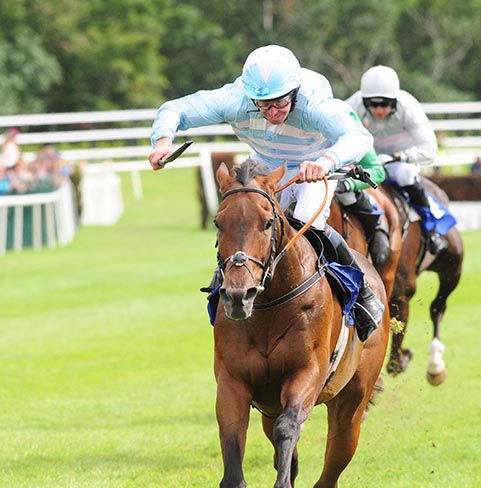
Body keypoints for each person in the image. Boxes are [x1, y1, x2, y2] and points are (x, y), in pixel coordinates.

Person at [149, 45, 384, 341]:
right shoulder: (234, 100)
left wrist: (326, 161)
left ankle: (362, 294)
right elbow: (176, 108)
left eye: (280, 103)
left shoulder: (313, 105)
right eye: (263, 104)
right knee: (244, 226)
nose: (273, 112)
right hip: (266, 168)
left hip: (314, 165)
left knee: (305, 223)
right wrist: (162, 140)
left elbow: (359, 136)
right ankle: (223, 287)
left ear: (295, 93)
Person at [346, 65, 446, 255]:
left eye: (384, 104)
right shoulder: (352, 105)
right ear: (363, 99)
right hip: (367, 162)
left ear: (394, 99)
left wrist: (397, 157)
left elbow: (430, 151)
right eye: (372, 104)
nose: (378, 110)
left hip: (399, 162)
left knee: (406, 175)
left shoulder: (409, 108)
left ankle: (431, 231)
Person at [334, 111, 389, 268]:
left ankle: (376, 229)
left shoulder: (348, 119)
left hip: (340, 180)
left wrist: (348, 184)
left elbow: (378, 172)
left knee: (347, 196)